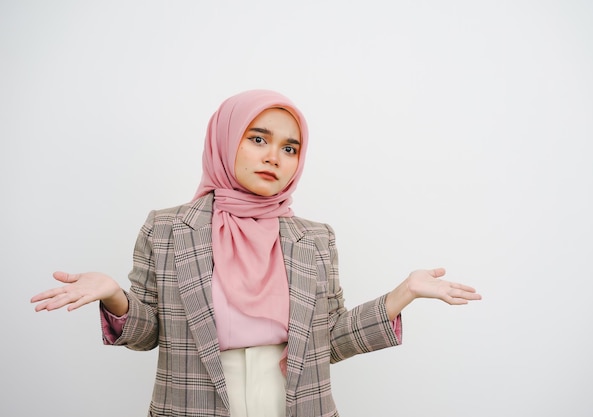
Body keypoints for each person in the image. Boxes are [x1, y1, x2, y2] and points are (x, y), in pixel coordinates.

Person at [31, 89, 482, 417]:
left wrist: (403, 293)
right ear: (225, 142)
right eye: (258, 139)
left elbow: (331, 341)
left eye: (290, 148)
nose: (275, 157)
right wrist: (113, 295)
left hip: (296, 404)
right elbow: (150, 335)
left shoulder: (315, 238)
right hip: (193, 404)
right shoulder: (167, 228)